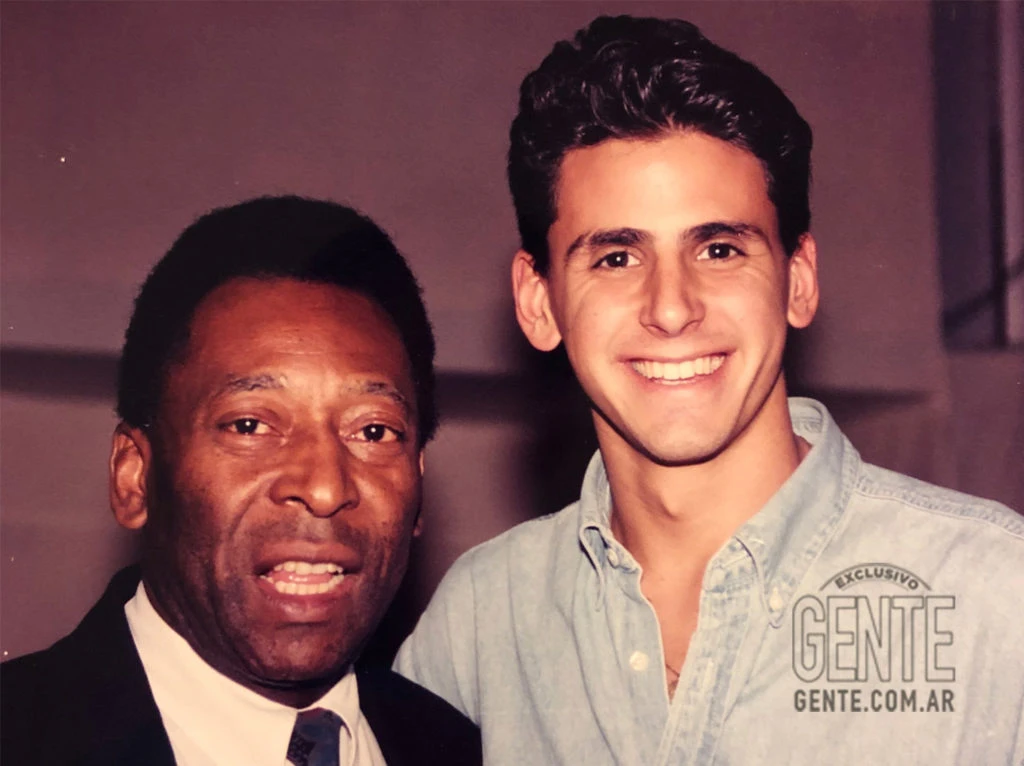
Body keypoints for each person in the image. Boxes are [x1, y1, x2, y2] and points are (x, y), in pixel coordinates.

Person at [394, 15, 1024, 764]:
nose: (671, 309)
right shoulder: (478, 626)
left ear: (798, 280)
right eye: (617, 258)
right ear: (539, 303)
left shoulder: (993, 595)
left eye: (720, 249)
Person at [1, 196, 482, 765]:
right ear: (135, 477)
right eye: (250, 425)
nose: (325, 488)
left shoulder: (471, 751)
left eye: (373, 432)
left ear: (417, 488)